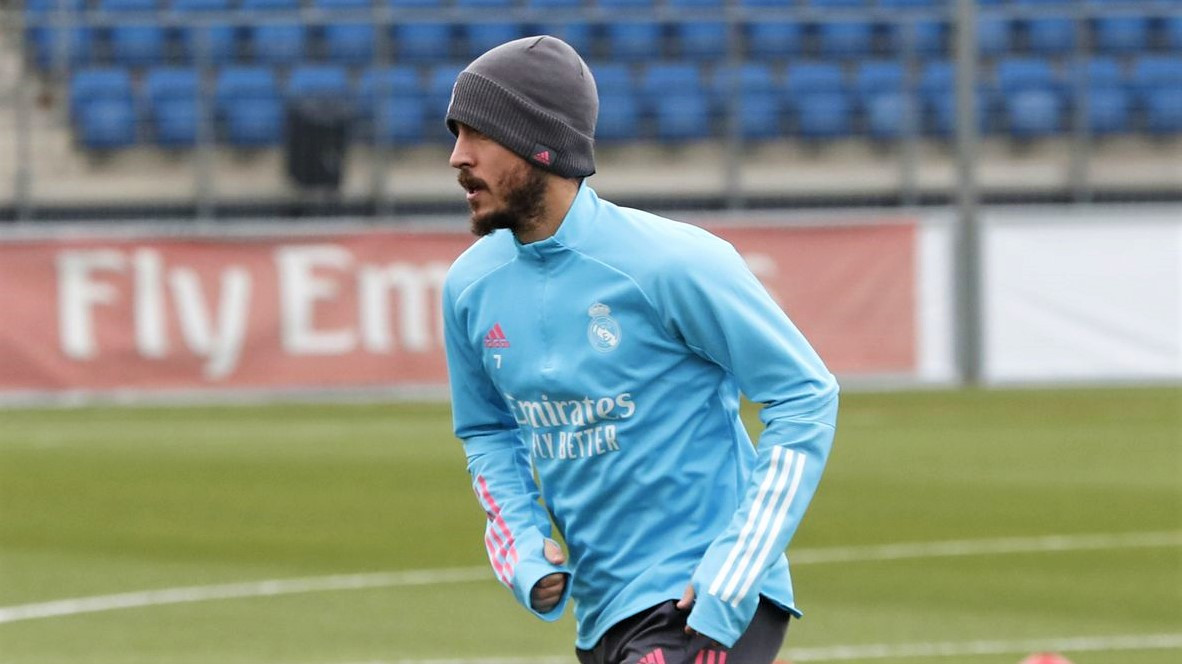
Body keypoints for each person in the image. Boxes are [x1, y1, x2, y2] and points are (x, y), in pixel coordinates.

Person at [440, 36, 839, 664]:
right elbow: (487, 432)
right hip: (602, 617)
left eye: (477, 134)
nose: (457, 157)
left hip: (699, 599)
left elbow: (805, 395)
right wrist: (519, 541)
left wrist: (736, 566)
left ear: (539, 144)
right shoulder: (469, 286)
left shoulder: (674, 262)